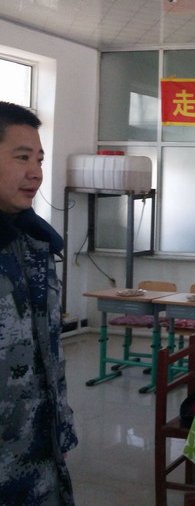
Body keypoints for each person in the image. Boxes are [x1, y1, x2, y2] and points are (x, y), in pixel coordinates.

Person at [0, 102, 78, 505]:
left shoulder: (35, 244)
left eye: (39, 159)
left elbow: (47, 349)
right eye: (22, 158)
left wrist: (59, 427)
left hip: (40, 452)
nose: (36, 173)